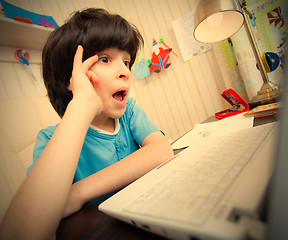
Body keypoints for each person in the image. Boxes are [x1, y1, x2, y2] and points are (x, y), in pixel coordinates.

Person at [0, 8, 173, 239]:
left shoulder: (129, 113)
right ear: (70, 79)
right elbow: (25, 231)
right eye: (105, 59)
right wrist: (82, 102)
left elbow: (162, 149)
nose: (125, 71)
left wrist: (78, 192)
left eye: (126, 61)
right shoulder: (50, 139)